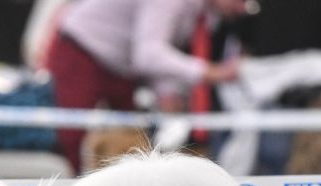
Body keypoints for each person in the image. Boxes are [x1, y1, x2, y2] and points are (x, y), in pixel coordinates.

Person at [45, 0, 247, 173]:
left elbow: (155, 50)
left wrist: (167, 92)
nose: (242, 8)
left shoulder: (202, 13)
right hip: (82, 50)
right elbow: (148, 55)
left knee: (135, 145)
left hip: (120, 66)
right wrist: (211, 72)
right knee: (72, 138)